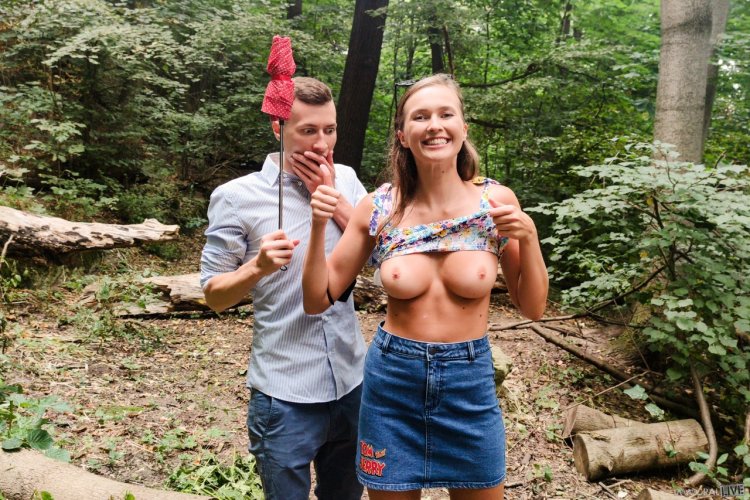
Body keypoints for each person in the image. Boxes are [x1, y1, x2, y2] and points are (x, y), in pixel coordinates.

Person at [301, 73, 548, 499]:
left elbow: (533, 307)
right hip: (393, 384)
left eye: (445, 114)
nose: (434, 125)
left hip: (469, 385)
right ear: (403, 135)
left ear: (462, 128)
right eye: (420, 117)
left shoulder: (496, 203)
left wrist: (530, 238)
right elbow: (315, 300)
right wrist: (319, 225)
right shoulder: (379, 207)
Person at [200, 76, 367, 500]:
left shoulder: (347, 180)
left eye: (329, 129)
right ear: (278, 128)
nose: (322, 143)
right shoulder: (236, 197)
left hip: (353, 383)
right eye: (308, 130)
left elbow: (381, 255)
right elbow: (214, 296)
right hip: (284, 394)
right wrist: (256, 267)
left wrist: (334, 200)